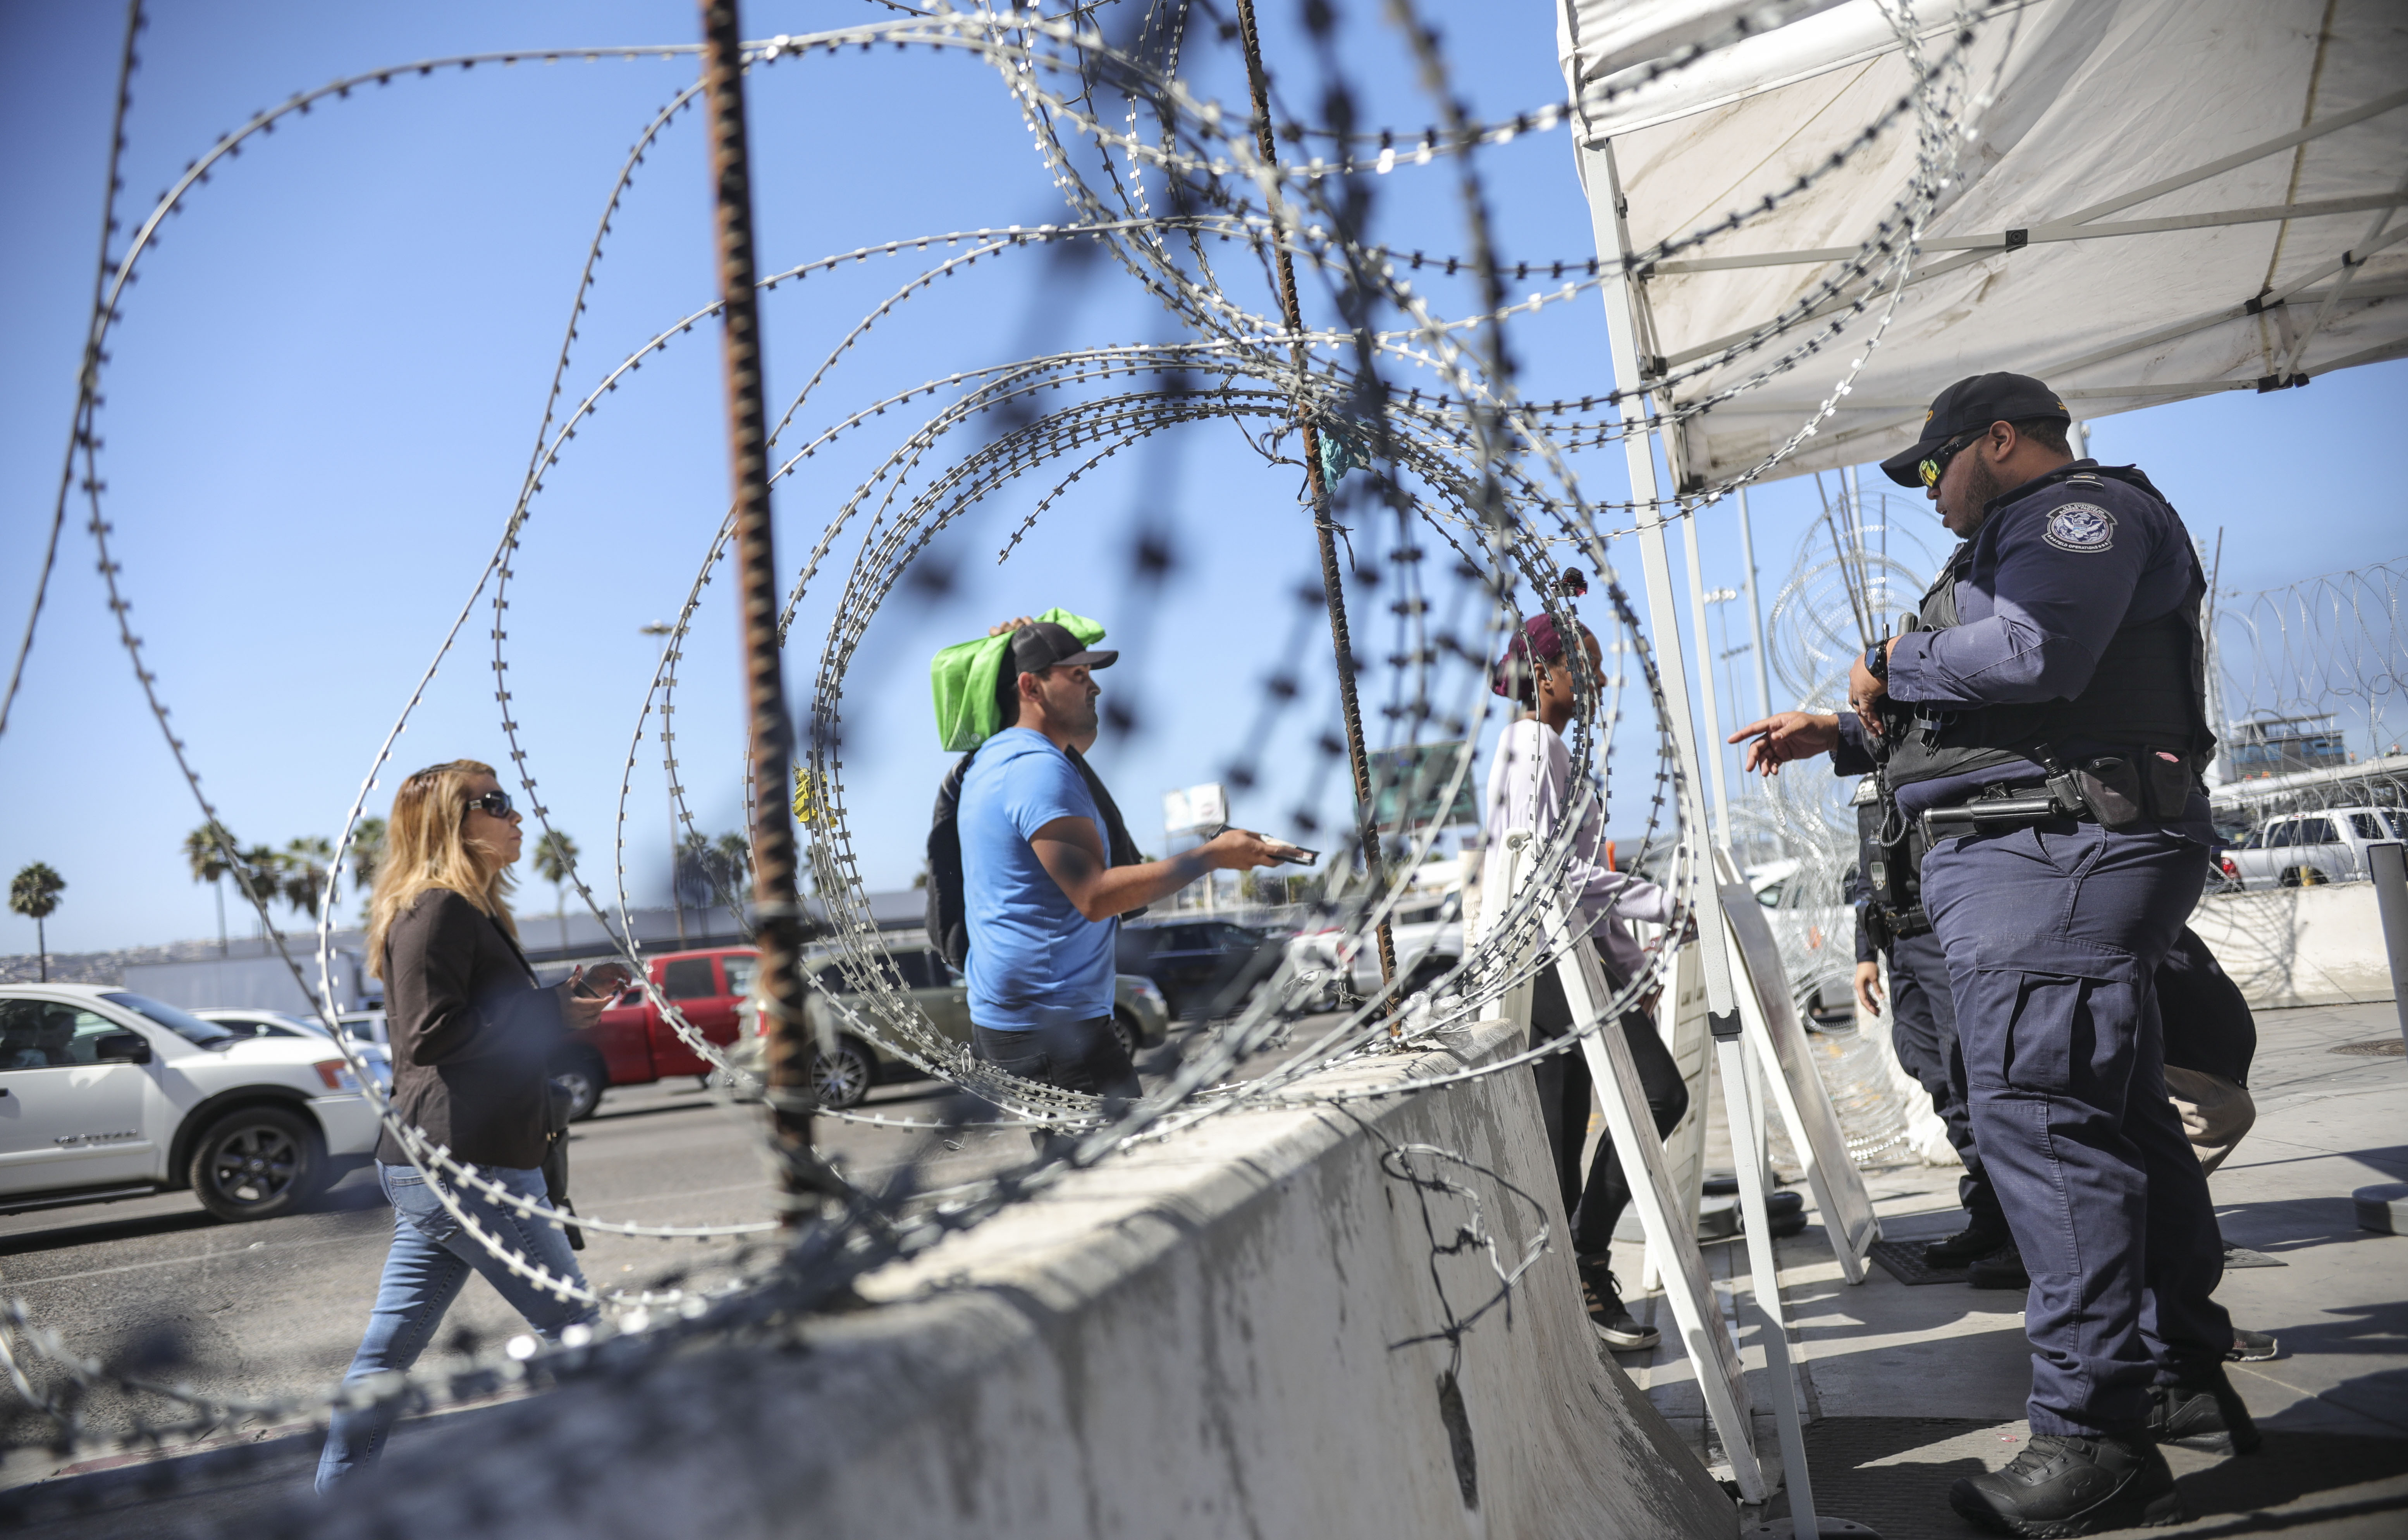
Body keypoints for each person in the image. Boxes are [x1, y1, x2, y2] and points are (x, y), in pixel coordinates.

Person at [1729, 373, 2254, 1536]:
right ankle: (2170, 1362)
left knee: (2044, 1123)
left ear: (1998, 441)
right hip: (2032, 851)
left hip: (2058, 851)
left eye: (1931, 468)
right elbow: (1989, 700)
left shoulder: (2075, 516)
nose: (1925, 493)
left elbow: (2032, 657)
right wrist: (1848, 725)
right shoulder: (2010, 538)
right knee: (2105, 1110)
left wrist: (1886, 661)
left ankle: (2089, 1433)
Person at [316, 760, 609, 1491]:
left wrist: (559, 1006)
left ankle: (336, 1505)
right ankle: (632, 1486)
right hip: (462, 1164)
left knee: (385, 1359)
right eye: (498, 803)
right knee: (578, 1332)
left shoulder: (468, 911)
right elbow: (429, 1034)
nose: (517, 817)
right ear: (454, 821)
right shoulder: (437, 909)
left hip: (457, 1159)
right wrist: (545, 1011)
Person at [959, 619, 1285, 1114]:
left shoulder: (994, 760)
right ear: (1030, 686)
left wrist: (1017, 652)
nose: (1095, 685)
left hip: (1019, 1018)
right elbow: (1095, 896)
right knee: (1114, 1173)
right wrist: (1211, 856)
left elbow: (1074, 738)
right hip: (1055, 1025)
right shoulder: (1038, 770)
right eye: (1077, 675)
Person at [1479, 611, 1683, 1351]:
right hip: (1547, 959)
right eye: (1584, 666)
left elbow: (1581, 887)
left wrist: (1631, 970)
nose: (1596, 681)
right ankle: (1588, 1265)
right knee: (1658, 1095)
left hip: (1564, 959)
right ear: (1545, 673)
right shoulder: (1531, 748)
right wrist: (1663, 904)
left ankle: (1574, 1299)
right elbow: (1553, 876)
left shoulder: (1544, 748)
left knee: (1562, 1143)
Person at [1848, 775, 2007, 1269]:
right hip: (1900, 945)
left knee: (1971, 1078)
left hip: (1944, 935)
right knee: (1933, 1073)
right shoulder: (1873, 775)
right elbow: (1865, 869)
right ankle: (1990, 1219)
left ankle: (2019, 1231)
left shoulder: (1931, 760)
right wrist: (1865, 953)